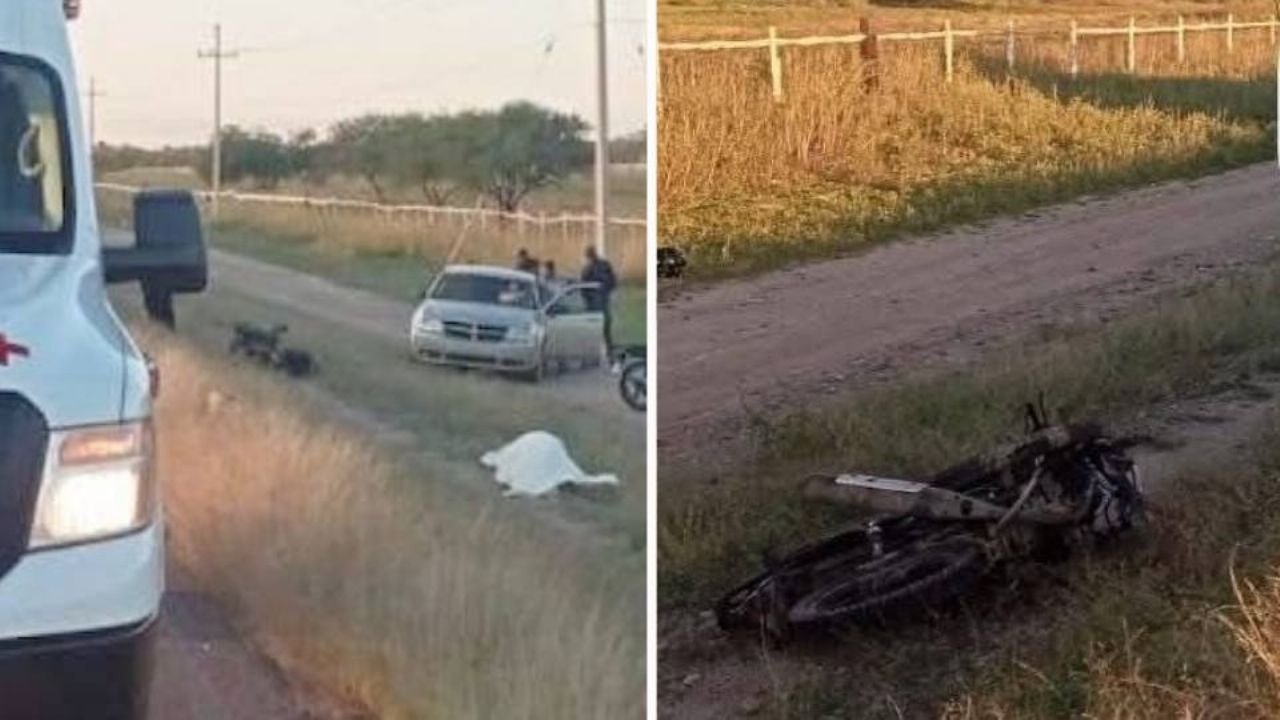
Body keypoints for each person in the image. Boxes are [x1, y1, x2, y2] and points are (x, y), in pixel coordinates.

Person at [581, 245, 617, 354]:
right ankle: (608, 352)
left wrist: (588, 301)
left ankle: (598, 352)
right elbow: (613, 282)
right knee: (605, 330)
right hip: (601, 301)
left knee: (597, 330)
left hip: (596, 303)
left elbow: (583, 289)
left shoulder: (588, 269)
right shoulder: (604, 265)